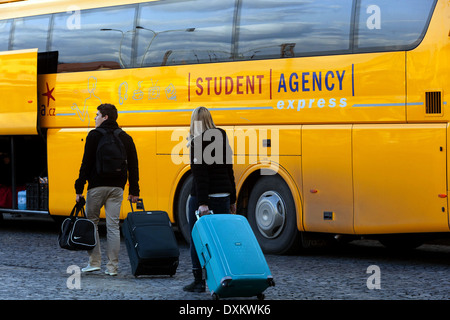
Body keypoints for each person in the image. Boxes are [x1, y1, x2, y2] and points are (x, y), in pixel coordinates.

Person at [75, 103, 140, 276]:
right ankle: (112, 267)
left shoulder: (94, 135)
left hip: (96, 186)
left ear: (105, 117)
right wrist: (134, 190)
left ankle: (94, 262)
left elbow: (86, 163)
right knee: (113, 226)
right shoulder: (125, 137)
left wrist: (79, 188)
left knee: (92, 223)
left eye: (97, 115)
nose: (94, 118)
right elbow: (133, 165)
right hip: (117, 188)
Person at [183, 106, 236, 292]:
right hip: (223, 196)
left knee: (197, 239)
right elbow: (229, 169)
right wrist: (233, 199)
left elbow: (201, 176)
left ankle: (198, 282)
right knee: (221, 240)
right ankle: (224, 279)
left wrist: (202, 202)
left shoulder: (197, 142)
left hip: (204, 197)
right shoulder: (222, 136)